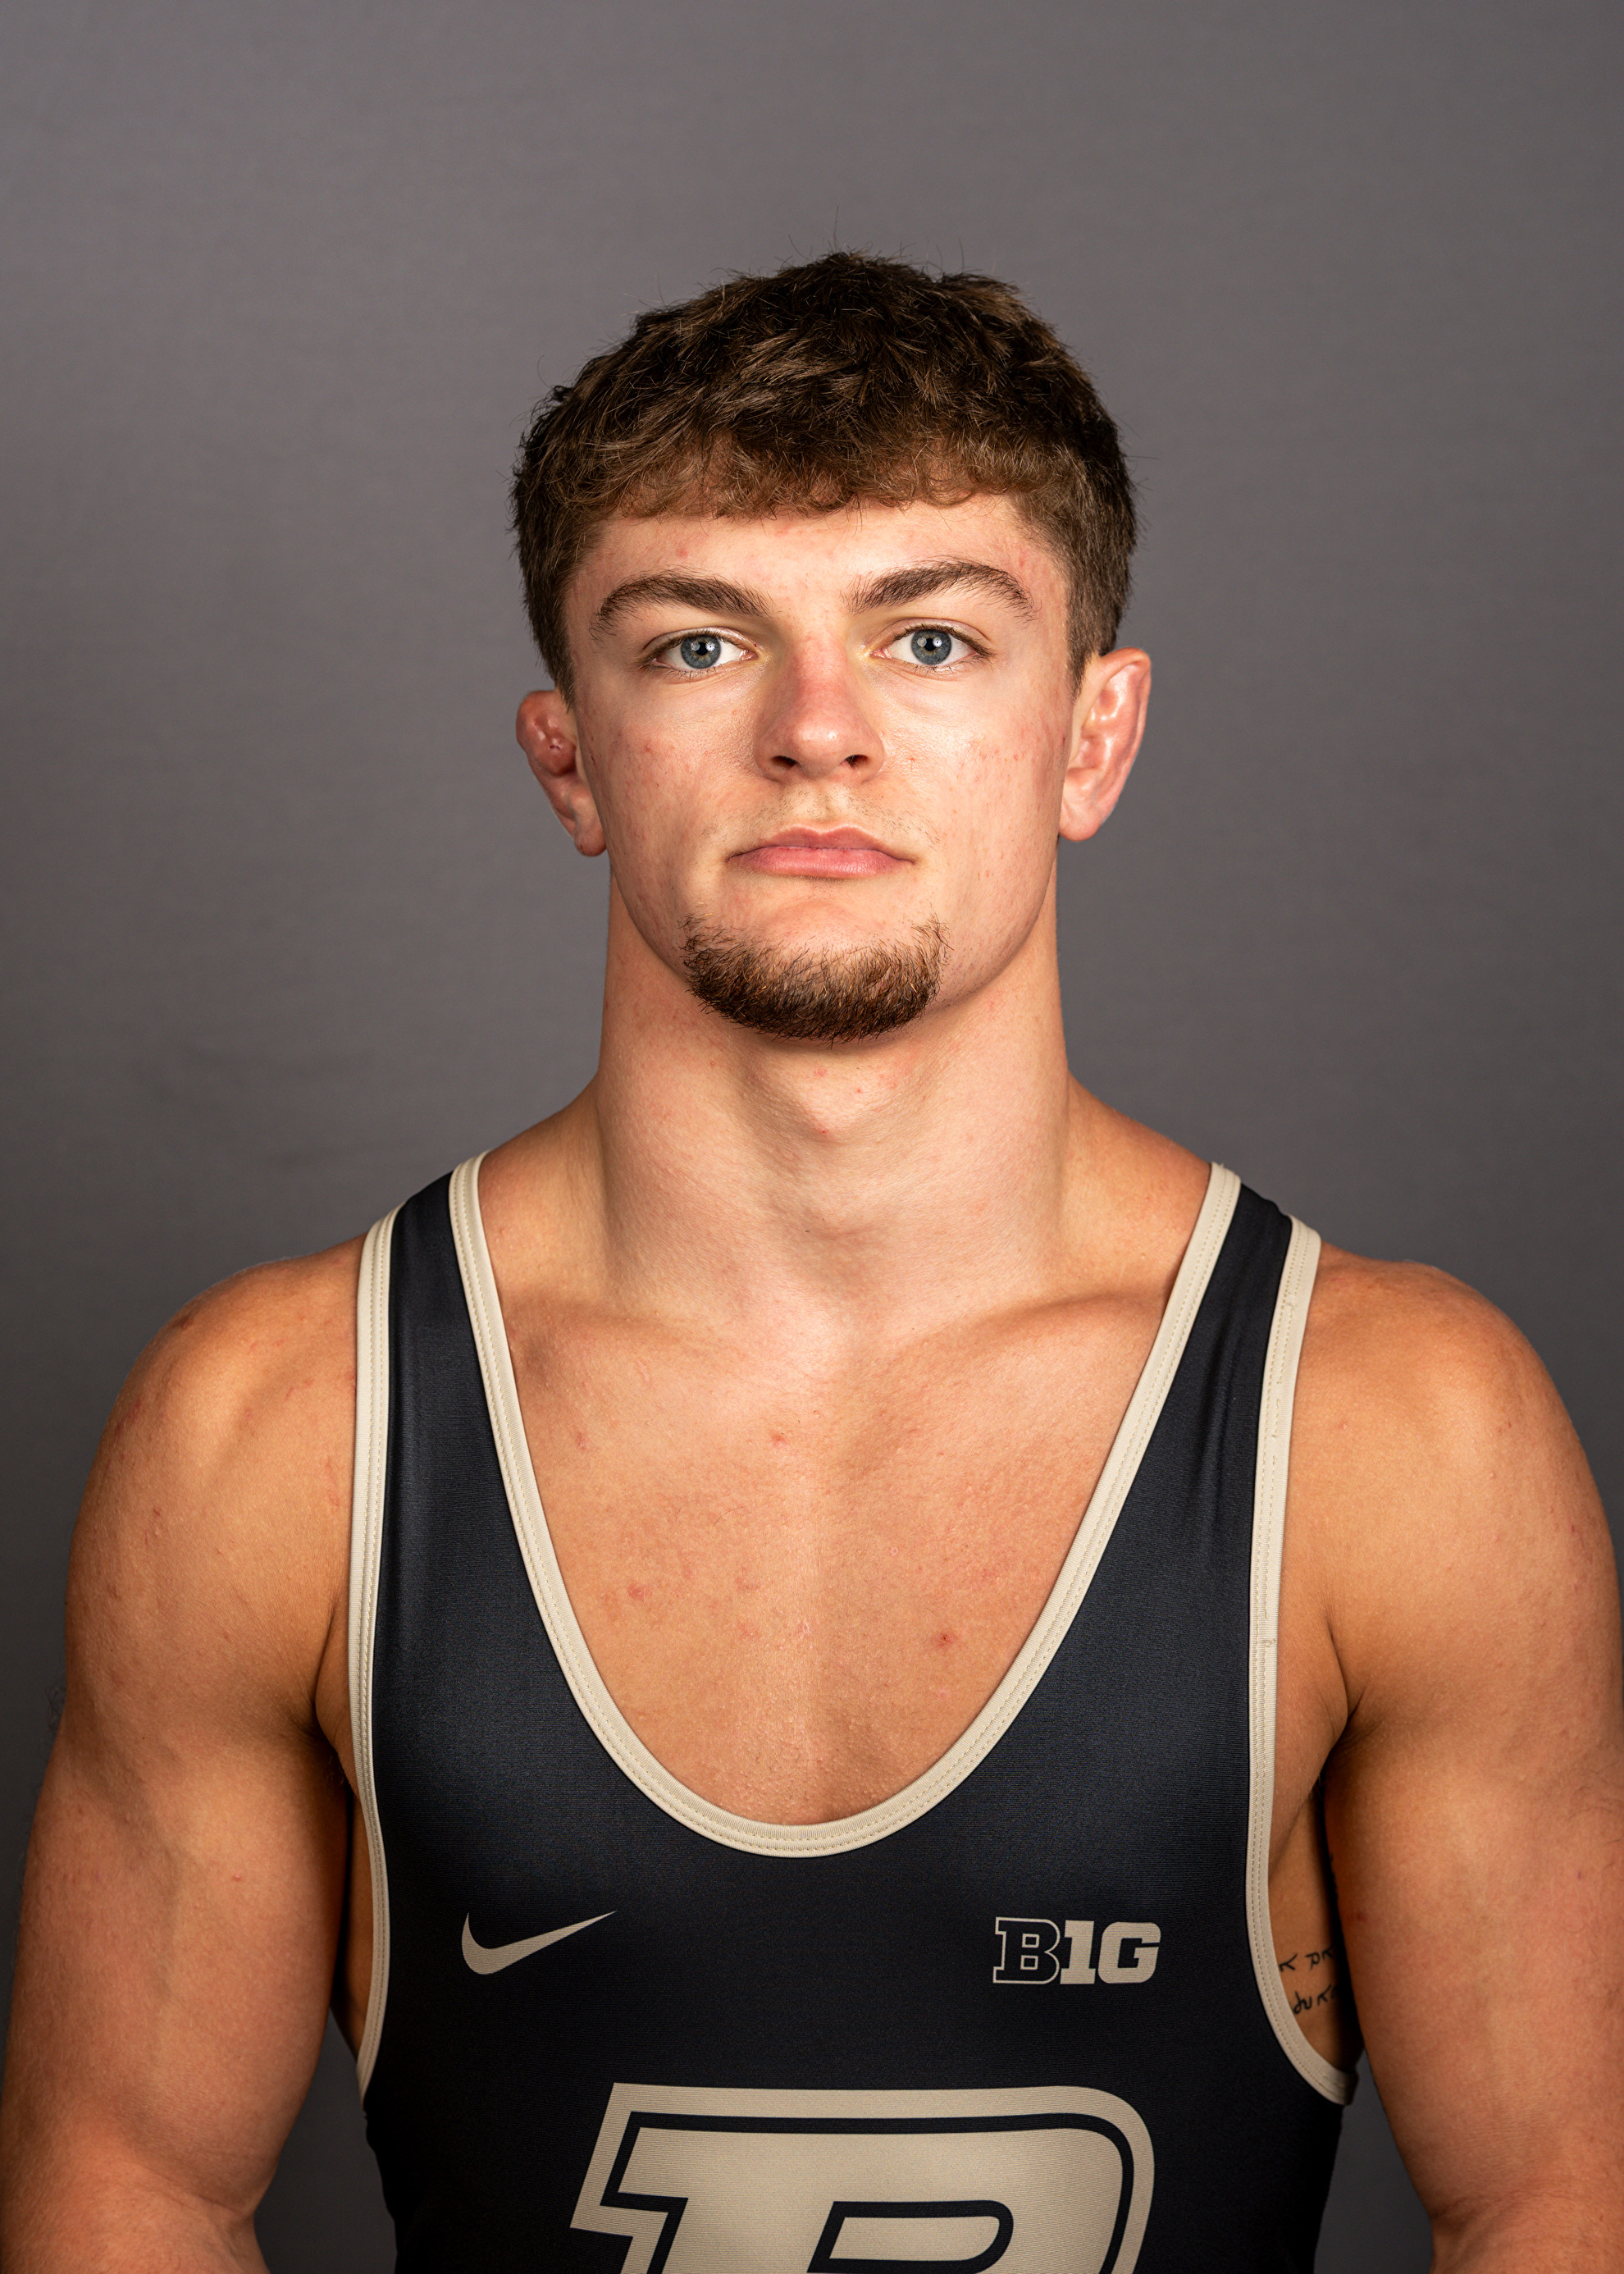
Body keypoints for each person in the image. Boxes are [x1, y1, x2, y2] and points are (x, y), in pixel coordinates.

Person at [2, 252, 1620, 2274]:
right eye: (699, 645)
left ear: (1094, 736)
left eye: (931, 638)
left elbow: (1557, 2204)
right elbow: (128, 2190)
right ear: (570, 759)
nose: (817, 734)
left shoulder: (1392, 1434)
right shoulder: (280, 1429)